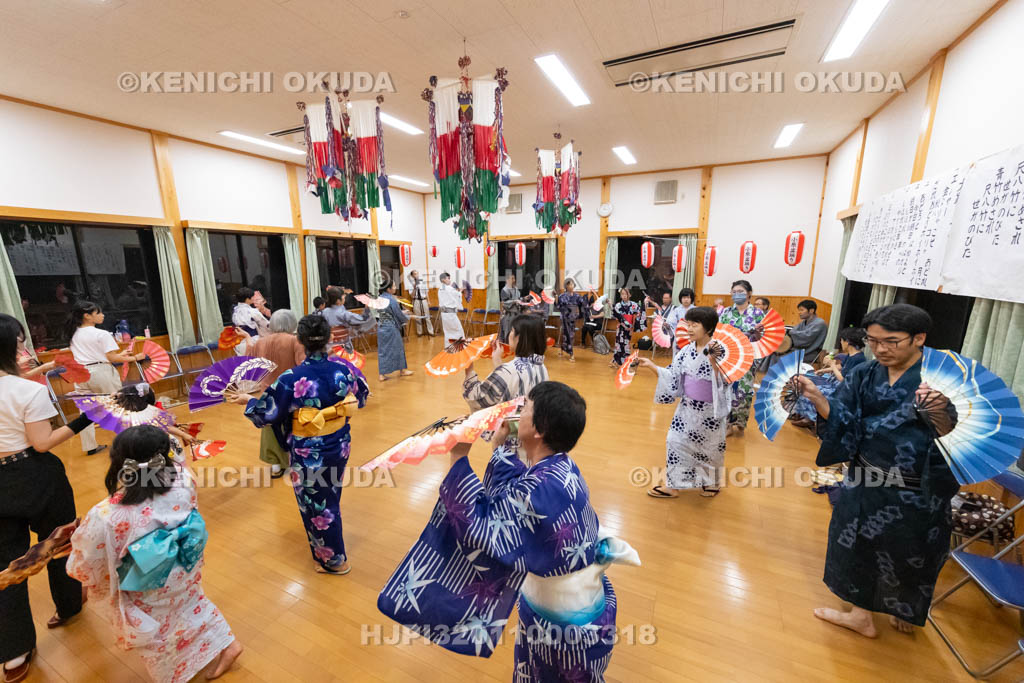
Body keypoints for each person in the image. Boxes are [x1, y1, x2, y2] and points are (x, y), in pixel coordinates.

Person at [378, 381, 640, 679]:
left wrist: (458, 459)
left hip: (565, 619)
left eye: (526, 407)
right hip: (567, 598)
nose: (519, 412)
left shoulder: (540, 487)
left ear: (539, 429)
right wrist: (501, 447)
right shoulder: (562, 467)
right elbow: (517, 497)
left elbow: (484, 527)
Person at [795, 304, 959, 638]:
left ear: (919, 338)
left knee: (911, 550)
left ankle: (902, 607)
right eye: (873, 341)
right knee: (856, 544)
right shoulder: (863, 374)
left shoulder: (943, 378)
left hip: (917, 485)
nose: (880, 349)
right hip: (866, 476)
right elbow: (842, 418)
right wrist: (814, 396)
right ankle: (861, 615)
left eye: (891, 341)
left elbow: (956, 435)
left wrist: (939, 411)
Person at [67, 425, 242, 682]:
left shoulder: (107, 514)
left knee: (157, 634)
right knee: (194, 604)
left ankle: (173, 675)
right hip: (186, 564)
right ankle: (229, 644)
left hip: (147, 582)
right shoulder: (184, 479)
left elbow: (83, 566)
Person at [232, 314, 369, 575]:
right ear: (329, 339)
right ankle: (329, 550)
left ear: (301, 340)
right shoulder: (343, 369)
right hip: (339, 443)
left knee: (318, 505)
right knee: (330, 493)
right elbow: (360, 396)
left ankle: (334, 561)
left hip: (310, 451)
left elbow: (266, 413)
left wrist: (248, 401)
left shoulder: (291, 378)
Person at [0, 314, 93, 683]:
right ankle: (69, 605)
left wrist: (49, 366)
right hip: (35, 473)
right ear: (11, 348)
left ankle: (14, 654)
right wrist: (86, 418)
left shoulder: (22, 386)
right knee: (58, 539)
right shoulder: (29, 392)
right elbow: (42, 442)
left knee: (7, 564)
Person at [637, 306, 734, 498]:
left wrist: (715, 366)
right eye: (688, 324)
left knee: (711, 448)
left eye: (695, 325)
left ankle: (712, 482)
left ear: (708, 328)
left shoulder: (720, 350)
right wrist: (652, 366)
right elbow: (672, 373)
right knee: (675, 442)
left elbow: (729, 380)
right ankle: (673, 485)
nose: (689, 329)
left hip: (710, 411)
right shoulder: (686, 350)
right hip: (687, 409)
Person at [68, 301, 147, 456]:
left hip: (80, 373)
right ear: (87, 316)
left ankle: (90, 446)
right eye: (98, 313)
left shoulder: (74, 333)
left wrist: (121, 355)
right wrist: (135, 357)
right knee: (120, 405)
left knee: (85, 410)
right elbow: (110, 357)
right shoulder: (101, 334)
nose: (102, 315)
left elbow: (104, 356)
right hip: (100, 372)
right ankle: (129, 443)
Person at [242, 310, 306, 478]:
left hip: (267, 391)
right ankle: (294, 461)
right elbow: (303, 366)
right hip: (290, 392)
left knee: (270, 428)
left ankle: (276, 466)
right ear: (292, 324)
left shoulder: (261, 342)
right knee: (293, 426)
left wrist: (248, 341)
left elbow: (248, 363)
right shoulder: (295, 341)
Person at [463, 314, 549, 410]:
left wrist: (469, 369)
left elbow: (476, 399)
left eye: (512, 330)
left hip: (510, 423)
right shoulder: (542, 367)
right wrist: (497, 361)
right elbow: (508, 384)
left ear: (519, 338)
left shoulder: (508, 371)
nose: (509, 334)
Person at [791, 327, 867, 429]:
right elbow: (842, 367)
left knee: (814, 390)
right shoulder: (853, 355)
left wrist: (832, 364)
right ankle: (803, 414)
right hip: (836, 384)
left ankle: (811, 419)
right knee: (807, 384)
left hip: (843, 389)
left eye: (842, 341)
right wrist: (822, 370)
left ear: (847, 342)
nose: (841, 343)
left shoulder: (859, 358)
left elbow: (843, 379)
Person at [718, 280, 765, 436]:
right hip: (728, 356)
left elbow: (763, 337)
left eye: (741, 292)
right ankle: (728, 423)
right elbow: (718, 333)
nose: (737, 295)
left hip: (748, 357)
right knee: (727, 389)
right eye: (734, 292)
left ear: (749, 294)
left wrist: (757, 333)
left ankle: (740, 421)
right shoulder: (725, 312)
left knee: (743, 391)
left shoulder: (757, 314)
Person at [376, 276, 414, 382]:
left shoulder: (379, 299)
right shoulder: (391, 300)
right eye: (394, 286)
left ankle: (382, 374)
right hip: (391, 327)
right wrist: (406, 317)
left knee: (383, 351)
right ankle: (402, 370)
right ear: (388, 289)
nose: (395, 287)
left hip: (381, 327)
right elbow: (397, 314)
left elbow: (386, 312)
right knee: (398, 348)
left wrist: (402, 313)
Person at [609, 288, 647, 367]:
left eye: (626, 294)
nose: (624, 296)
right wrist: (610, 305)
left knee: (627, 344)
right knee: (619, 344)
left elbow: (640, 313)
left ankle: (626, 361)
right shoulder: (618, 305)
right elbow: (615, 314)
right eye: (622, 294)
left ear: (630, 295)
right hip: (621, 328)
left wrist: (645, 304)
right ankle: (617, 361)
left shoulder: (634, 305)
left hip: (629, 328)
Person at [554, 278, 587, 361]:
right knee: (568, 334)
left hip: (573, 318)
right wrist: (556, 297)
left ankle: (562, 348)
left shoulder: (577, 296)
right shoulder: (562, 296)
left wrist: (582, 312)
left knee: (570, 335)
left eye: (572, 284)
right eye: (570, 284)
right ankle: (571, 354)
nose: (571, 286)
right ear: (566, 286)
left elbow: (583, 304)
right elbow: (558, 306)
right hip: (565, 318)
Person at [438, 272, 465, 343]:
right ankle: (459, 349)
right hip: (450, 314)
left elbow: (451, 296)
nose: (449, 280)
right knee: (458, 330)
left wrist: (458, 292)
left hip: (444, 314)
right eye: (448, 278)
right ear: (443, 279)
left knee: (447, 332)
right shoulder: (448, 288)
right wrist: (460, 291)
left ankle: (449, 348)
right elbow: (456, 295)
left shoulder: (440, 288)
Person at [498, 272, 524, 343]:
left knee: (517, 333)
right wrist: (514, 301)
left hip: (517, 315)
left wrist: (523, 299)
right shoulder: (504, 290)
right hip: (508, 316)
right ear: (507, 280)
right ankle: (507, 349)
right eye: (512, 278)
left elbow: (518, 299)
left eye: (514, 278)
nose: (514, 280)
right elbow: (504, 303)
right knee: (507, 334)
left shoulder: (516, 289)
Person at [408, 270, 434, 337]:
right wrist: (414, 288)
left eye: (417, 273)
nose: (416, 275)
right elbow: (412, 296)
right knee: (418, 317)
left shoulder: (422, 282)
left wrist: (428, 301)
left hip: (424, 300)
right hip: (416, 300)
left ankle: (431, 332)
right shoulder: (410, 284)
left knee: (427, 316)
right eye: (415, 274)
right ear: (412, 276)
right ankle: (419, 332)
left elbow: (426, 293)